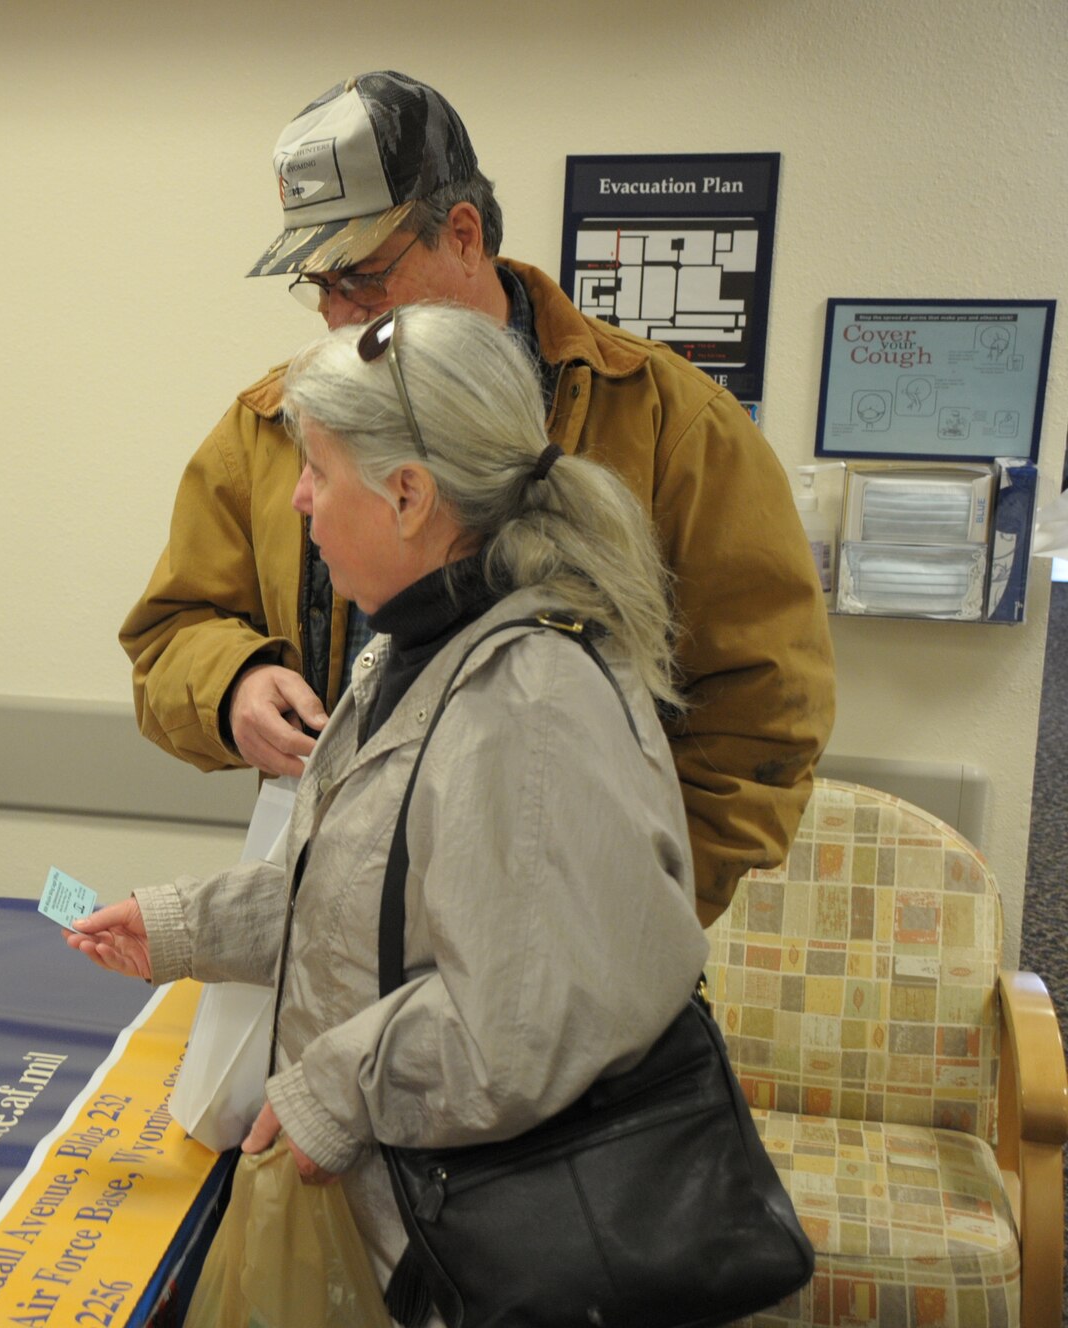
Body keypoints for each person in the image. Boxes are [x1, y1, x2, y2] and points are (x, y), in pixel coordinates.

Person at [74, 302, 708, 1286]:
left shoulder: (529, 703)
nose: (296, 501)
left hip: (482, 1253)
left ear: (408, 495)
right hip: (406, 1221)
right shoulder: (407, 658)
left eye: (317, 470)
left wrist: (337, 1085)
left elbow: (525, 1024)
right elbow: (352, 894)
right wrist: (176, 925)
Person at [119, 71, 833, 922]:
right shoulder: (268, 430)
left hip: (578, 934)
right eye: (318, 285)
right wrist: (232, 686)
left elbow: (763, 718)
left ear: (463, 235)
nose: (339, 318)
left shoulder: (673, 428)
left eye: (363, 279)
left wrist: (635, 907)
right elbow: (168, 636)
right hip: (343, 917)